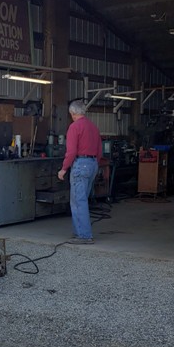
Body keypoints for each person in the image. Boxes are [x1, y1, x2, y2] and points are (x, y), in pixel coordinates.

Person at [57, 98, 103, 244]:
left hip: (80, 164)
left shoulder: (74, 127)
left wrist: (64, 169)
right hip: (92, 164)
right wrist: (95, 164)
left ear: (72, 113)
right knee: (83, 199)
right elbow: (99, 151)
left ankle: (84, 235)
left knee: (78, 201)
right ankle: (79, 232)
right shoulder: (93, 127)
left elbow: (71, 152)